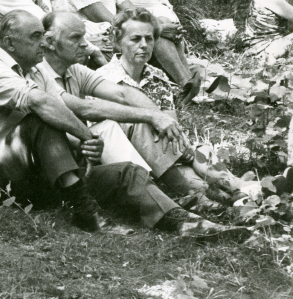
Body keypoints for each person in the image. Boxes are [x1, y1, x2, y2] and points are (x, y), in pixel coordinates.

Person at [0, 9, 245, 238]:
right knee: (41, 118)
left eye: (42, 35)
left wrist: (81, 144)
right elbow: (46, 106)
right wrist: (84, 135)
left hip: (28, 176)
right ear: (8, 43)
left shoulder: (34, 73)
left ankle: (187, 223)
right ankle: (87, 213)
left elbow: (85, 103)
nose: (42, 42)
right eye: (34, 36)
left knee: (127, 173)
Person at [39, 12, 214, 201]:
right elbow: (86, 108)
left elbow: (123, 93)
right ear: (49, 42)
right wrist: (151, 117)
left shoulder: (74, 70)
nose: (85, 44)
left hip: (84, 150)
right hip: (58, 165)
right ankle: (167, 195)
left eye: (83, 36)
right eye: (75, 38)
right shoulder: (38, 74)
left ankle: (183, 192)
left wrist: (158, 117)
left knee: (138, 120)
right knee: (120, 123)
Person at [98, 9, 242, 199]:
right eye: (135, 39)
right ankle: (230, 194)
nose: (144, 45)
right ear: (118, 42)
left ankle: (243, 190)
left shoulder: (158, 77)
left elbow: (171, 123)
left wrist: (185, 151)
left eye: (149, 39)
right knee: (199, 186)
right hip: (135, 159)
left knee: (205, 159)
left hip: (170, 151)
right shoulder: (102, 80)